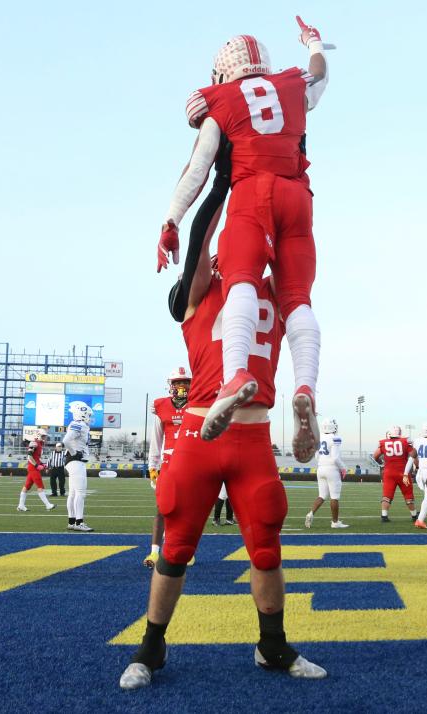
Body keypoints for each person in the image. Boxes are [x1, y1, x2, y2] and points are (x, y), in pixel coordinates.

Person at [120, 137, 325, 689]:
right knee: (177, 547)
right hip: (202, 431)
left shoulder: (278, 288)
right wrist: (227, 182)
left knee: (266, 548)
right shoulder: (203, 293)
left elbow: (293, 237)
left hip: (254, 436)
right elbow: (201, 242)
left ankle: (273, 647)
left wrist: (283, 174)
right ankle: (150, 647)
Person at [156, 17, 332, 464]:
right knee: (297, 298)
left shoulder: (219, 100)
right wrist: (313, 41)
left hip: (252, 192)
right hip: (298, 194)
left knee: (241, 282)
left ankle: (234, 376)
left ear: (221, 72)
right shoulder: (292, 85)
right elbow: (319, 73)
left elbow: (198, 170)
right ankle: (307, 386)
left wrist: (171, 220)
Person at [145, 367, 191, 568]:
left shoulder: (200, 403)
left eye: (185, 382)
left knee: (189, 510)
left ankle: (185, 550)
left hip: (192, 461)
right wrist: (152, 466)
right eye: (177, 382)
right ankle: (155, 552)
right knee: (163, 508)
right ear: (170, 384)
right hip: (169, 462)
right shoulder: (161, 406)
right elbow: (156, 439)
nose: (181, 386)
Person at [305, 418, 349, 528]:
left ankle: (310, 514)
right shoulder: (335, 438)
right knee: (334, 497)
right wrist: (344, 468)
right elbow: (335, 458)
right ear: (332, 427)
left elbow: (316, 456)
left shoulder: (318, 438)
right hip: (332, 470)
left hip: (320, 468)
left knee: (322, 495)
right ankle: (335, 522)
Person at [372, 427, 417, 523]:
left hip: (389, 473)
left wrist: (381, 462)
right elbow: (413, 454)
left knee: (386, 495)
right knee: (408, 494)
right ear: (399, 434)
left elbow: (375, 456)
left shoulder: (384, 443)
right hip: (403, 472)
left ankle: (384, 516)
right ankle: (414, 515)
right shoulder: (404, 442)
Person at [63, 402, 93, 532]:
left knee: (73, 493)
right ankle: (79, 522)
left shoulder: (79, 425)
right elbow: (66, 441)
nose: (90, 418)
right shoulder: (79, 424)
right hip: (76, 461)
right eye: (89, 415)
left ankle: (72, 521)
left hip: (74, 461)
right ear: (83, 414)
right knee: (80, 493)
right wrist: (75, 453)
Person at [16, 428, 55, 513]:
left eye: (45, 436)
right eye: (43, 436)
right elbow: (29, 457)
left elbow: (36, 457)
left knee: (26, 487)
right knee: (40, 486)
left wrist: (42, 464)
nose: (44, 437)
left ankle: (21, 505)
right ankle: (48, 505)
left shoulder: (39, 444)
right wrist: (37, 465)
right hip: (33, 468)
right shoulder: (34, 443)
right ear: (38, 435)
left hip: (33, 467)